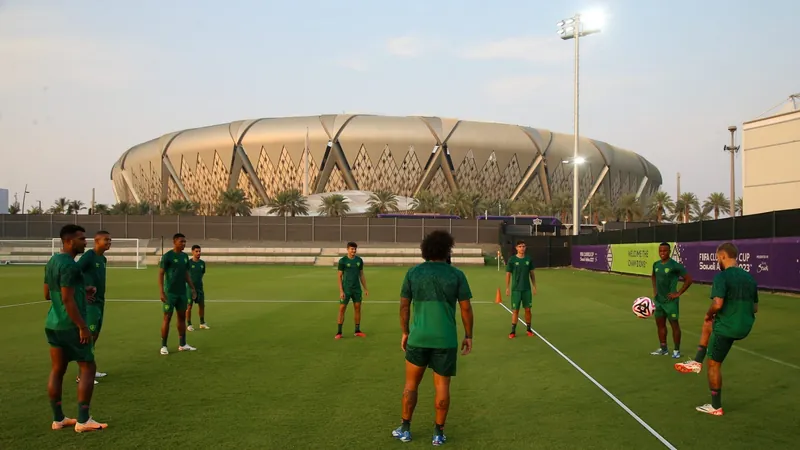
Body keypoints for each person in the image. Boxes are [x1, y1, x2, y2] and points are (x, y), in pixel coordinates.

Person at [392, 230, 474, 446]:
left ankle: (405, 429)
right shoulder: (456, 275)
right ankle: (438, 433)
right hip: (445, 340)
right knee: (442, 387)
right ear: (448, 250)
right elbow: (466, 309)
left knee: (411, 384)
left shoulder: (413, 273)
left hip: (418, 338)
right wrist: (468, 336)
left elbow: (403, 306)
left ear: (425, 250)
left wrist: (405, 332)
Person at [674, 242, 759, 416]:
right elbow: (755, 308)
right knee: (709, 324)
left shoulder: (722, 277)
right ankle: (696, 361)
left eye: (717, 258)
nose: (717, 261)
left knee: (713, 364)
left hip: (728, 328)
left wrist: (709, 313)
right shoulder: (750, 278)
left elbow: (717, 304)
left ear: (722, 256)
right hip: (745, 325)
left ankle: (715, 406)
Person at [45, 224, 107, 432]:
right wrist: (82, 326)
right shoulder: (70, 266)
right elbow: (67, 299)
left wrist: (83, 289)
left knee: (57, 370)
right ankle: (83, 420)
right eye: (82, 238)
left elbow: (48, 293)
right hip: (71, 324)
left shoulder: (53, 261)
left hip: (53, 323)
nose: (85, 241)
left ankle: (58, 419)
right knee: (88, 367)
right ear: (69, 241)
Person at [75, 231, 112, 385]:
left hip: (99, 302)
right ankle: (82, 375)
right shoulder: (89, 256)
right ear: (97, 241)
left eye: (110, 240)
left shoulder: (103, 258)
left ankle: (90, 368)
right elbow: (74, 272)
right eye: (106, 240)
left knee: (94, 335)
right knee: (88, 337)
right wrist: (83, 290)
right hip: (90, 304)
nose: (109, 242)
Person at [650, 242, 693, 358]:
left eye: (664, 251)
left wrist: (678, 293)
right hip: (659, 301)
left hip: (670, 301)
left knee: (674, 325)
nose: (662, 253)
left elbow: (689, 279)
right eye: (660, 251)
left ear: (669, 251)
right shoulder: (656, 264)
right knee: (660, 325)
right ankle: (663, 348)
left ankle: (676, 351)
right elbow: (653, 276)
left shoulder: (675, 265)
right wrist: (655, 291)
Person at [158, 233, 198, 355]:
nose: (184, 244)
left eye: (185, 242)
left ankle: (183, 344)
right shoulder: (167, 256)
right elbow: (160, 274)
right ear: (174, 242)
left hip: (182, 293)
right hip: (170, 294)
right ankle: (164, 346)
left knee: (181, 318)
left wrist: (192, 288)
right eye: (181, 242)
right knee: (167, 318)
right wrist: (162, 292)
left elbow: (186, 274)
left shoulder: (185, 257)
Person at [335, 241, 369, 339]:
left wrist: (365, 288)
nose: (353, 250)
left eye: (354, 249)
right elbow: (339, 276)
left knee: (357, 308)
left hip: (357, 289)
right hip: (346, 289)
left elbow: (361, 274)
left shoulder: (359, 260)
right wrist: (341, 291)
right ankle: (339, 332)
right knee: (342, 309)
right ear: (347, 249)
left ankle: (357, 330)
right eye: (351, 249)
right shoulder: (343, 261)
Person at [505, 240, 537, 338]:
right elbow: (508, 274)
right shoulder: (512, 260)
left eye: (523, 246)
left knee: (528, 309)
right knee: (515, 310)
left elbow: (532, 273)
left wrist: (534, 286)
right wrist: (507, 287)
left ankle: (529, 329)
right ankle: (513, 331)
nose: (522, 248)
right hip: (516, 289)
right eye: (520, 246)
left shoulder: (528, 259)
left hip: (526, 289)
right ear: (516, 248)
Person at [186, 244, 208, 331]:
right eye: (196, 251)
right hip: (190, 289)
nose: (198, 253)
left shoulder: (202, 263)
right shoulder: (188, 263)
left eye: (199, 251)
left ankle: (202, 323)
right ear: (192, 252)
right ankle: (189, 324)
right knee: (189, 306)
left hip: (199, 288)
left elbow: (202, 273)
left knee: (202, 305)